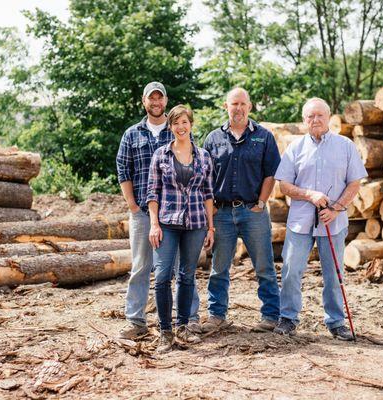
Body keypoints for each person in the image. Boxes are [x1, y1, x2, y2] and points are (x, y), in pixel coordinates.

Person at [274, 97, 367, 341]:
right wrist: (308, 194)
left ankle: (336, 322)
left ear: (328, 117)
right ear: (304, 121)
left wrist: (336, 208)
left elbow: (354, 182)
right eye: (310, 116)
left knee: (334, 274)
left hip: (332, 222)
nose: (315, 120)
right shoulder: (295, 148)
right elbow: (283, 185)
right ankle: (288, 318)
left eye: (320, 115)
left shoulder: (345, 146)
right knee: (291, 270)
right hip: (300, 221)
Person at [115, 82, 201, 339]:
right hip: (143, 212)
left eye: (159, 98)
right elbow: (123, 171)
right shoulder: (132, 134)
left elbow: (193, 167)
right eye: (151, 99)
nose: (155, 103)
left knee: (181, 268)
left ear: (165, 101)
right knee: (141, 266)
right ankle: (136, 321)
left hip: (176, 213)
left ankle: (189, 318)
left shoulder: (178, 130)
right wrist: (132, 205)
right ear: (144, 101)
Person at [202, 87, 281, 332]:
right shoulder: (213, 138)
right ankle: (217, 315)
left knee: (265, 266)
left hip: (252, 212)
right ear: (226, 106)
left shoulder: (263, 137)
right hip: (223, 213)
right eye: (233, 104)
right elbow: (205, 176)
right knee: (219, 268)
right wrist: (211, 209)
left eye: (242, 104)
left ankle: (270, 316)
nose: (238, 108)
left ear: (250, 106)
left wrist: (261, 202)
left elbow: (271, 173)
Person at [147, 105, 214, 353]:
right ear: (170, 126)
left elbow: (208, 194)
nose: (180, 127)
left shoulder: (204, 156)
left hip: (196, 223)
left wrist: (211, 227)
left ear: (191, 124)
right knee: (163, 275)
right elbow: (152, 193)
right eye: (176, 123)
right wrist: (154, 224)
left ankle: (183, 325)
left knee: (187, 275)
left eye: (184, 122)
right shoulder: (161, 155)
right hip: (167, 222)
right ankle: (166, 331)